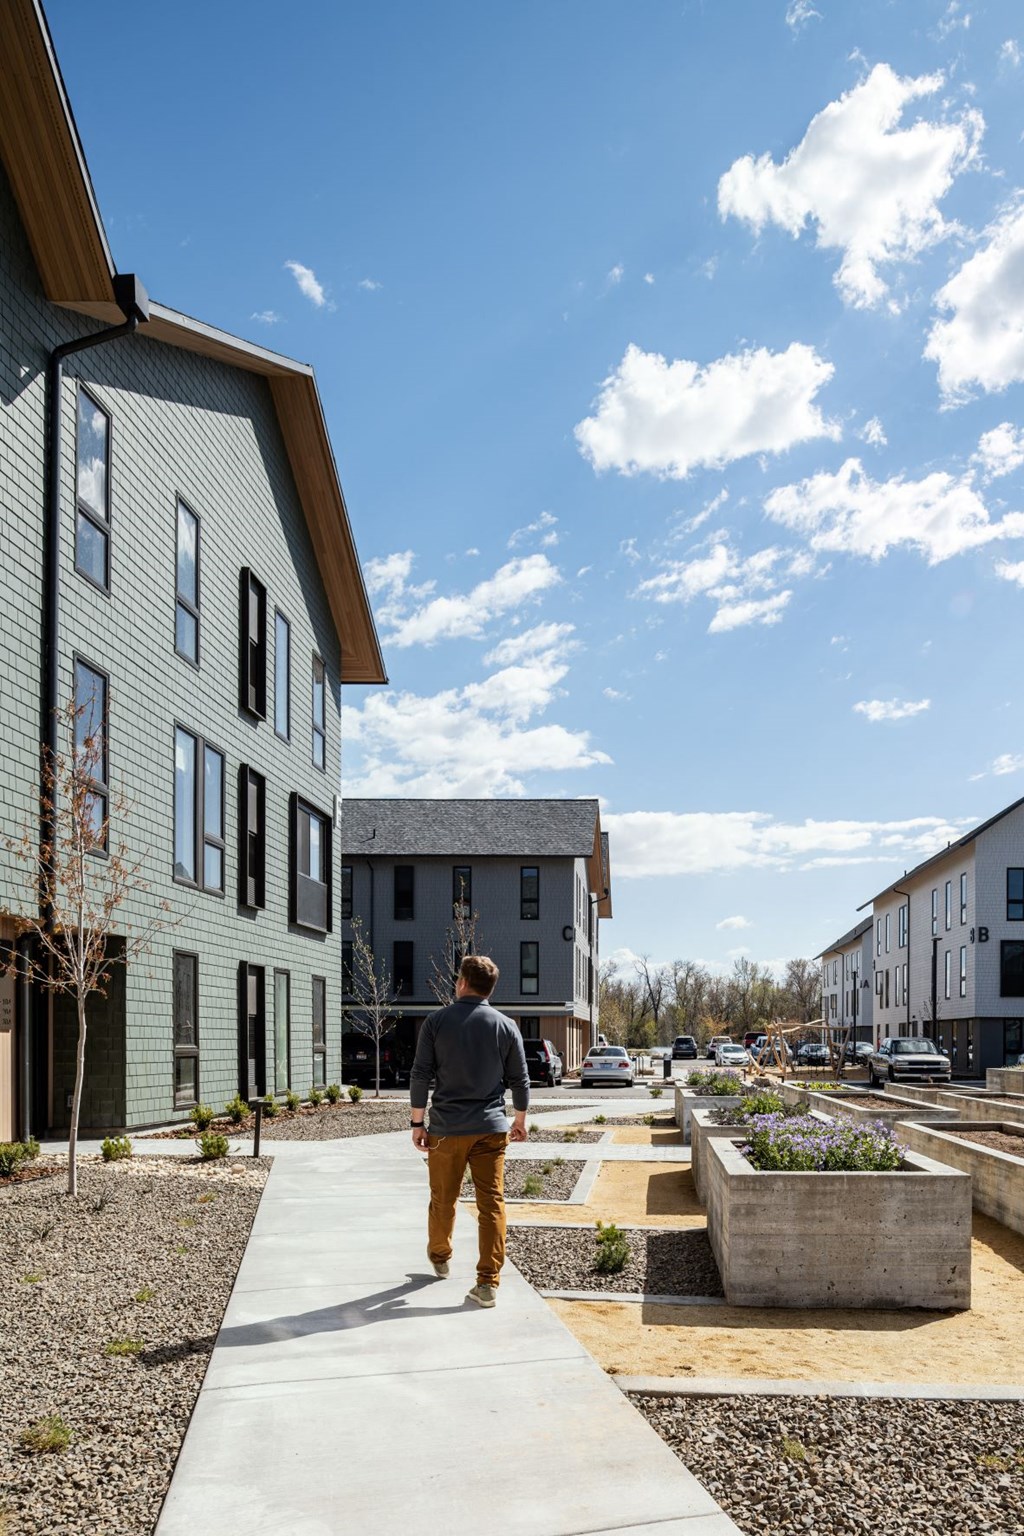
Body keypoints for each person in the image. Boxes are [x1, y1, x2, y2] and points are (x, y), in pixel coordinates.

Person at [409, 954, 529, 1308]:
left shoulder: (436, 1022)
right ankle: (488, 1283)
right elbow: (520, 1080)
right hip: (491, 1129)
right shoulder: (506, 1026)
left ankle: (440, 1255)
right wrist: (519, 1120)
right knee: (491, 1203)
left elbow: (420, 1075)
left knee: (443, 1198)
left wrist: (417, 1123)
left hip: (447, 1129)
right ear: (490, 988)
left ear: (462, 982)